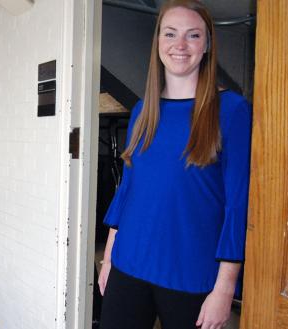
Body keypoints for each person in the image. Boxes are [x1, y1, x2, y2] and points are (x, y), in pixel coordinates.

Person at [97, 1, 252, 329]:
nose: (180, 45)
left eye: (193, 35)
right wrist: (109, 257)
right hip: (129, 263)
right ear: (158, 43)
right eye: (170, 34)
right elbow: (128, 190)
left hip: (192, 274)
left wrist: (224, 288)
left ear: (207, 45)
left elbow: (238, 206)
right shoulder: (143, 109)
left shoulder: (232, 110)